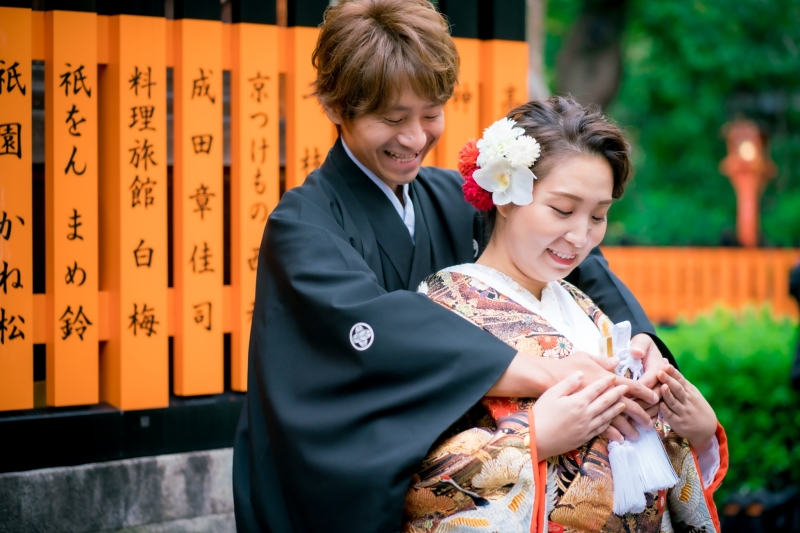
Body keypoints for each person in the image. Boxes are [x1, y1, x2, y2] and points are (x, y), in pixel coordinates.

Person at [233, 1, 673, 531]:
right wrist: (550, 378)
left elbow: (573, 256)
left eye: (430, 114)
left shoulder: (453, 197)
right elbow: (384, 329)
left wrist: (640, 341)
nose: (415, 138)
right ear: (334, 106)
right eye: (392, 119)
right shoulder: (304, 225)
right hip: (361, 481)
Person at [403, 97, 728, 532]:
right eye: (562, 210)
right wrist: (532, 438)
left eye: (598, 215)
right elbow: (408, 475)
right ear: (506, 195)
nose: (580, 236)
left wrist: (696, 432)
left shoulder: (587, 310)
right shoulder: (443, 304)